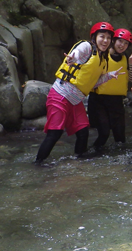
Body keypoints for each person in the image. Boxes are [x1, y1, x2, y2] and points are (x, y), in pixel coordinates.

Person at [35, 22, 126, 164]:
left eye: (108, 38)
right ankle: (38, 164)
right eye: (102, 37)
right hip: (61, 95)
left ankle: (79, 163)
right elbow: (77, 53)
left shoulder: (102, 58)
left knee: (83, 131)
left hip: (75, 100)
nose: (105, 41)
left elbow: (92, 82)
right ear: (95, 37)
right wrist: (73, 58)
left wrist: (110, 75)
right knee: (55, 133)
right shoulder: (87, 47)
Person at [87, 28, 132, 153]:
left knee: (120, 137)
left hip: (116, 101)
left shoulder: (126, 58)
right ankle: (90, 157)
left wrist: (131, 63)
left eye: (126, 43)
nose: (122, 45)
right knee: (104, 133)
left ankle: (120, 164)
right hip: (99, 100)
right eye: (120, 41)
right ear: (113, 41)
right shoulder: (102, 55)